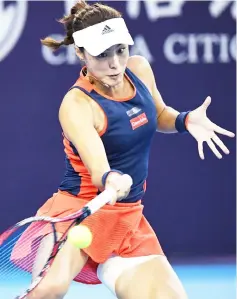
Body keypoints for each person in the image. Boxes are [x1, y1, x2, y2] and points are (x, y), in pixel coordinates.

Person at [17, 1, 234, 298]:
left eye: (120, 49)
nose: (115, 63)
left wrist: (184, 120)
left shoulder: (139, 69)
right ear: (80, 53)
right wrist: (110, 178)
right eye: (102, 55)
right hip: (78, 213)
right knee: (47, 291)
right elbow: (98, 169)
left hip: (126, 218)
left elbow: (157, 115)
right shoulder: (77, 104)